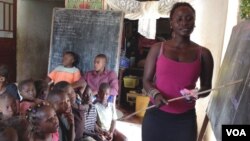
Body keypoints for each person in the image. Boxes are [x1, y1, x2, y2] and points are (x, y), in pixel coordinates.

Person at [142, 2, 214, 141]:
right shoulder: (157, 49)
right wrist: (155, 94)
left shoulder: (204, 54)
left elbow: (207, 87)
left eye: (189, 19)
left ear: (194, 22)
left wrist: (196, 93)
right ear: (171, 23)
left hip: (185, 120)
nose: (184, 23)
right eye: (179, 19)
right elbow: (146, 80)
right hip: (156, 115)